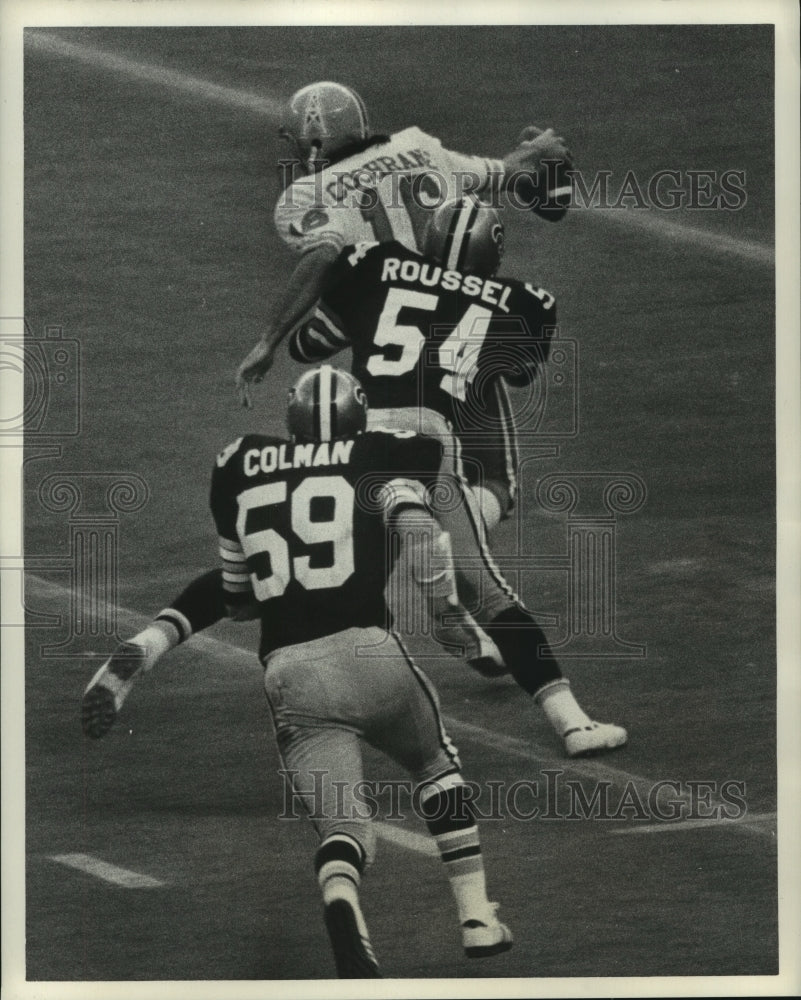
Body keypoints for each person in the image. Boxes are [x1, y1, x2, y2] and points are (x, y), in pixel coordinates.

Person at [286, 194, 627, 758]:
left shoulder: (376, 263)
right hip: (427, 442)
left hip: (356, 439)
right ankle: (571, 722)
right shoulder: (525, 300)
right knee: (490, 590)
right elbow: (513, 373)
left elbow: (309, 344)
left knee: (338, 574)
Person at [218, 366, 513, 976]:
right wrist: (448, 615)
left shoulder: (237, 464)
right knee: (436, 768)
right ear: (362, 416)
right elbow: (419, 530)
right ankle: (478, 918)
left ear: (289, 421)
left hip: (290, 674)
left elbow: (238, 599)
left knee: (347, 831)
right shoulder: (386, 452)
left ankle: (343, 896)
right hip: (370, 653)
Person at [237, 79, 574, 528]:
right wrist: (540, 155)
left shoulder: (303, 197)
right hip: (462, 334)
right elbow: (503, 174)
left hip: (381, 338)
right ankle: (454, 562)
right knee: (492, 485)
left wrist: (269, 340)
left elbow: (324, 253)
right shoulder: (419, 147)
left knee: (366, 483)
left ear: (314, 141)